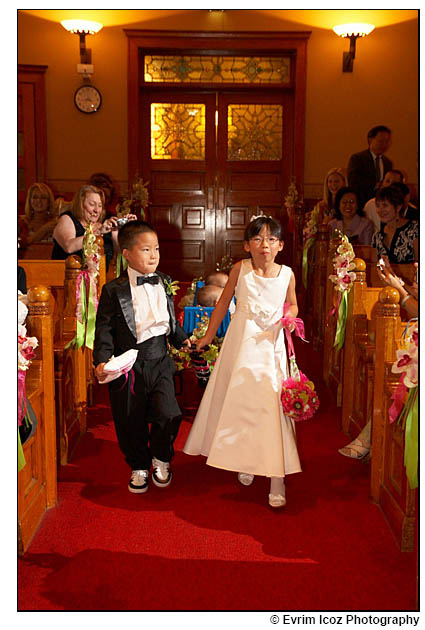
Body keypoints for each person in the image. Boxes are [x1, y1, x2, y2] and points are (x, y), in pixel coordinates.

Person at [183, 215, 302, 508]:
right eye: (258, 239)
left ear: (281, 245)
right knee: (241, 403)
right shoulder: (241, 269)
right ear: (247, 245)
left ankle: (277, 477)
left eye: (271, 240)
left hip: (270, 345)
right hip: (242, 342)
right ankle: (246, 459)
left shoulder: (287, 274)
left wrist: (290, 316)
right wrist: (208, 337)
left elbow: (293, 302)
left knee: (271, 405)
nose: (265, 245)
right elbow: (223, 303)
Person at [93, 220, 191, 494]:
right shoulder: (113, 290)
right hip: (129, 363)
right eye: (146, 249)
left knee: (169, 413)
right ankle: (138, 464)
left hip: (160, 358)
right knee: (129, 418)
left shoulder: (165, 281)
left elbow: (168, 321)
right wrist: (101, 359)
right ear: (126, 255)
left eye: (157, 249)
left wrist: (182, 338)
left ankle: (161, 457)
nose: (154, 255)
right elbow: (104, 328)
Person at [51, 184, 134, 270]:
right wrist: (98, 233)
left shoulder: (104, 225)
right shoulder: (67, 219)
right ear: (80, 204)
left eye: (100, 205)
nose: (97, 210)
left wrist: (125, 230)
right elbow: (69, 246)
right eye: (92, 204)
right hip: (68, 278)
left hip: (101, 280)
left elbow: (121, 255)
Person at [347, 125, 393, 205]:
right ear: (370, 140)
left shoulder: (388, 163)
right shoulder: (358, 159)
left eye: (387, 141)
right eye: (381, 141)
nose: (384, 144)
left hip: (382, 204)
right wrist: (375, 185)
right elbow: (353, 182)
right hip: (362, 203)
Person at [372, 186, 419, 263]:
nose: (380, 210)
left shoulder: (414, 229)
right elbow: (375, 266)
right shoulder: (377, 236)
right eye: (378, 206)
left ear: (398, 207)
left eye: (385, 205)